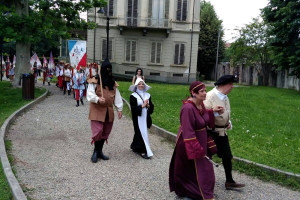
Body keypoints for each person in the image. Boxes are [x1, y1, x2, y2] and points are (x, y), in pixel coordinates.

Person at [169, 81, 224, 200]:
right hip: (190, 142)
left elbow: (201, 118)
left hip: (202, 140)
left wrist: (212, 111)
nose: (205, 93)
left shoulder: (200, 104)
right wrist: (196, 148)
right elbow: (188, 130)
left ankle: (197, 191)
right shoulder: (187, 108)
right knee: (196, 169)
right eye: (202, 91)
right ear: (193, 93)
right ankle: (194, 193)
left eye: (205, 91)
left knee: (201, 169)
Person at [204, 75, 245, 190]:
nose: (232, 87)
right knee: (206, 156)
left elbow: (226, 112)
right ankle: (202, 180)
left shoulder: (225, 96)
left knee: (227, 156)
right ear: (222, 84)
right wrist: (214, 112)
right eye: (230, 84)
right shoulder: (210, 96)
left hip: (223, 132)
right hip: (212, 132)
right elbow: (203, 115)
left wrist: (228, 122)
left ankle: (229, 181)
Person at [87, 58, 123, 163]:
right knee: (98, 131)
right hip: (97, 109)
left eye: (110, 69)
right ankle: (95, 151)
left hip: (108, 110)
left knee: (106, 131)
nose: (108, 71)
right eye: (106, 69)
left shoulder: (113, 83)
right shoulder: (95, 80)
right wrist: (98, 99)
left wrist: (119, 109)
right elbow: (89, 94)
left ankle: (100, 151)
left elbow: (117, 96)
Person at [129, 78, 154, 159]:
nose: (141, 85)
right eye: (139, 84)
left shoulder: (148, 95)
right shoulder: (133, 96)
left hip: (145, 117)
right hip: (137, 117)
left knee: (141, 132)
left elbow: (151, 107)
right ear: (136, 85)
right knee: (139, 132)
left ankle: (134, 146)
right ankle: (142, 150)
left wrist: (148, 105)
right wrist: (142, 106)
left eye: (142, 84)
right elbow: (133, 109)